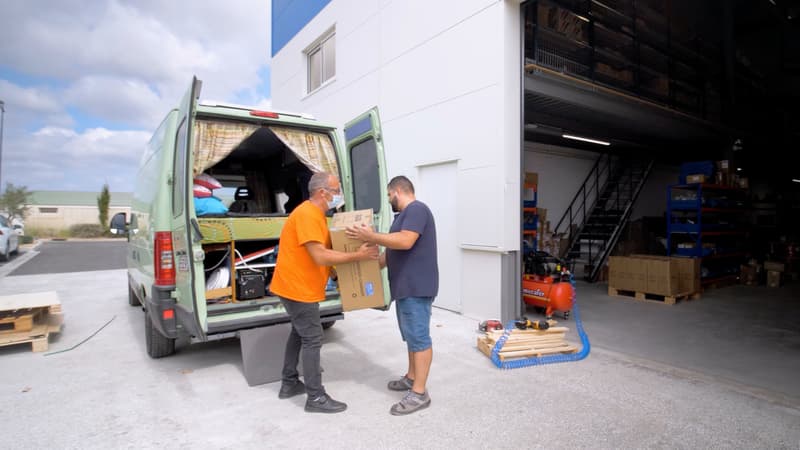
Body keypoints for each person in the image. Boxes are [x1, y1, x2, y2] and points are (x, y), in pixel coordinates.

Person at [270, 171, 378, 414]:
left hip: (296, 285)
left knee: (299, 333)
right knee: (312, 338)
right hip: (298, 288)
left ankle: (289, 384)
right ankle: (315, 397)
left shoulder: (316, 215)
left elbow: (323, 255)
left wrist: (338, 276)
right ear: (322, 192)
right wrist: (358, 256)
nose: (338, 195)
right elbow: (319, 255)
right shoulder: (307, 214)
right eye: (336, 190)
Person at [345, 175, 438, 416]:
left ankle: (419, 394)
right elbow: (388, 255)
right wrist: (357, 267)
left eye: (388, 195)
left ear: (397, 191)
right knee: (410, 337)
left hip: (417, 287)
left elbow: (406, 242)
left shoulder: (417, 209)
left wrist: (371, 237)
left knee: (419, 338)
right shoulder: (401, 219)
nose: (388, 200)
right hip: (405, 288)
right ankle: (411, 377)